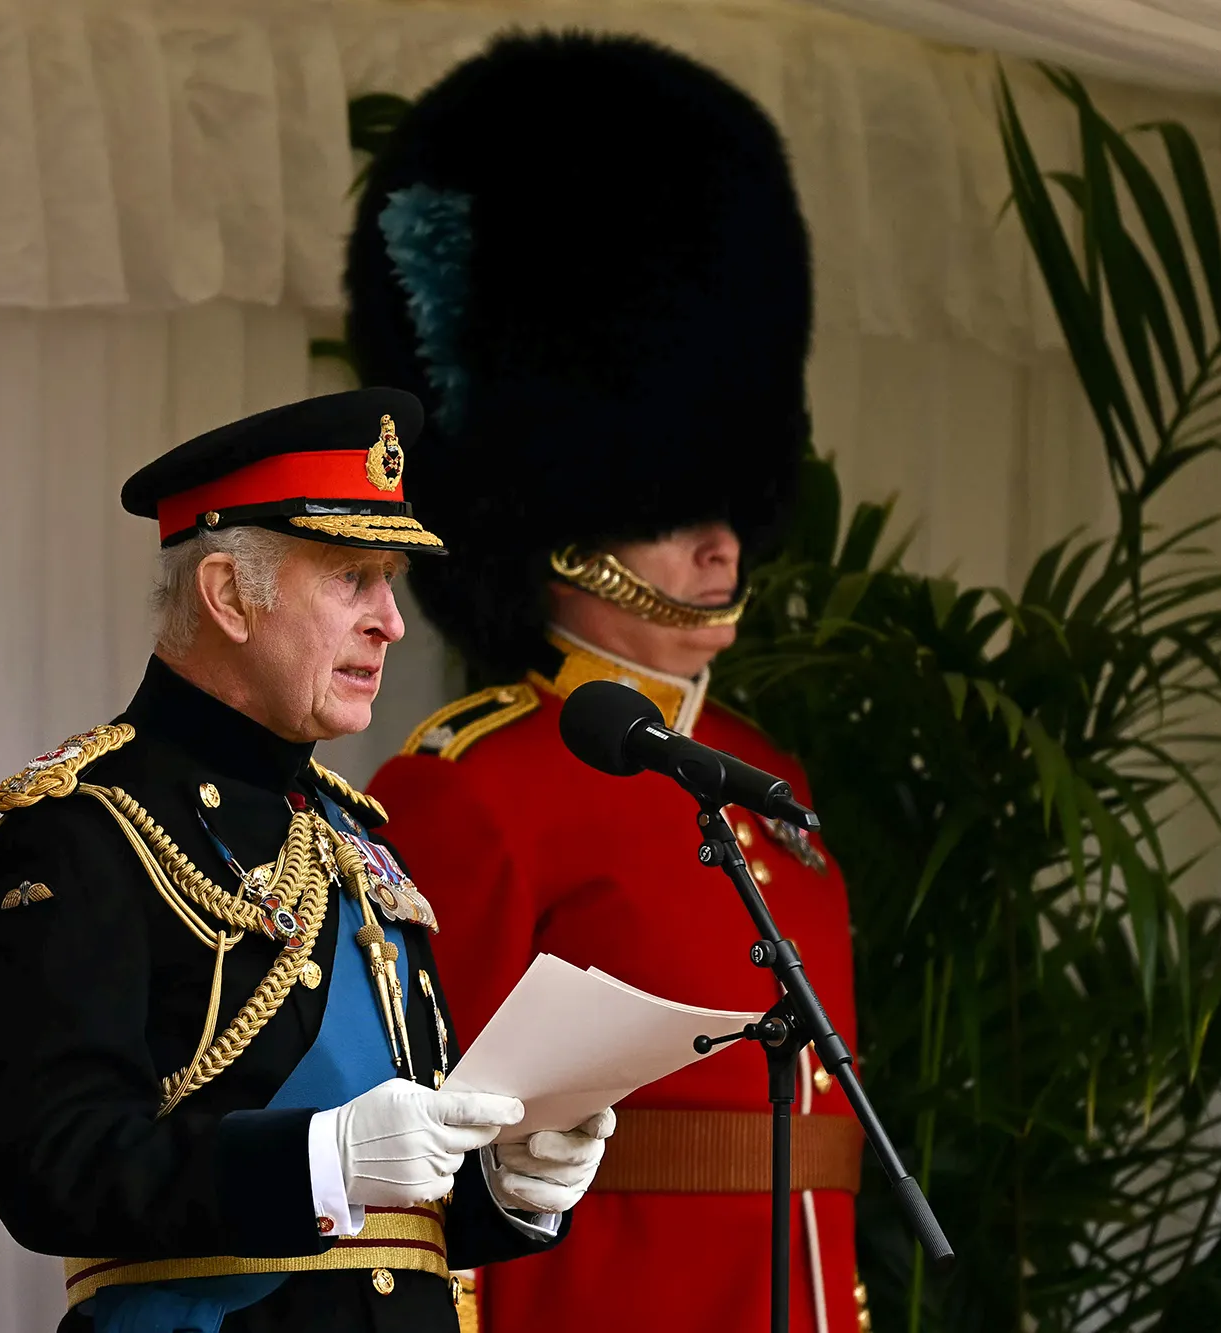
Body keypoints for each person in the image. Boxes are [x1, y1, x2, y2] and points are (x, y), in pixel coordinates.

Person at [347, 34, 866, 1333]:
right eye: (666, 510)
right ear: (558, 525)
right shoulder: (472, 789)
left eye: (726, 502)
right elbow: (419, 1144)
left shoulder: (770, 776)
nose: (721, 545)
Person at [0, 387, 612, 1333]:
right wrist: (319, 1159)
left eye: (392, 582)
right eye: (354, 577)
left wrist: (507, 1186)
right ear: (227, 595)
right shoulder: (82, 830)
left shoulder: (357, 835)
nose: (392, 621)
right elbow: (51, 1162)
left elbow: (393, 1226)